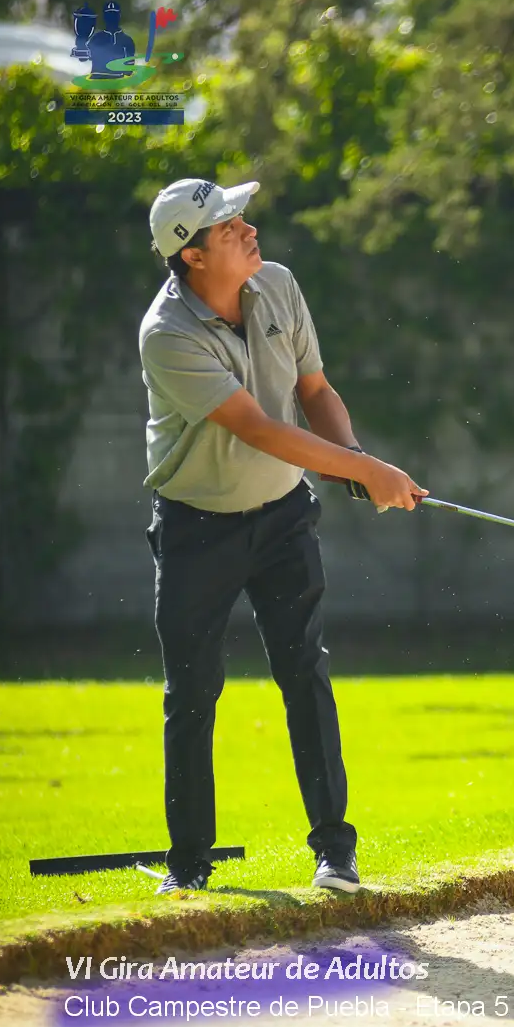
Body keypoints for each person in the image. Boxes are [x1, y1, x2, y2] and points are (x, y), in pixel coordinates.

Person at [140, 177, 428, 896]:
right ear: (192, 255)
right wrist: (369, 470)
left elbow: (315, 392)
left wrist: (353, 461)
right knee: (193, 692)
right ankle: (189, 867)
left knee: (305, 673)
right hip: (195, 528)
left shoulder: (278, 285)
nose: (248, 229)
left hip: (282, 517)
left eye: (242, 217)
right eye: (228, 226)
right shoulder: (167, 334)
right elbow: (259, 429)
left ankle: (335, 853)